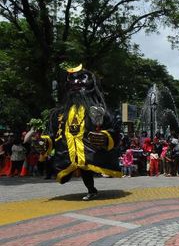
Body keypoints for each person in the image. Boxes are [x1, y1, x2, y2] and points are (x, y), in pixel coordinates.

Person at [31, 65, 121, 200]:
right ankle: (91, 189)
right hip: (69, 151)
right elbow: (52, 134)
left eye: (81, 78)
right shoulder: (58, 114)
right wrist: (44, 142)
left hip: (89, 151)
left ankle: (91, 190)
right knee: (77, 168)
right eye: (72, 79)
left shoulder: (100, 110)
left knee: (86, 169)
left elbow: (113, 129)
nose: (76, 82)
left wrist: (105, 137)